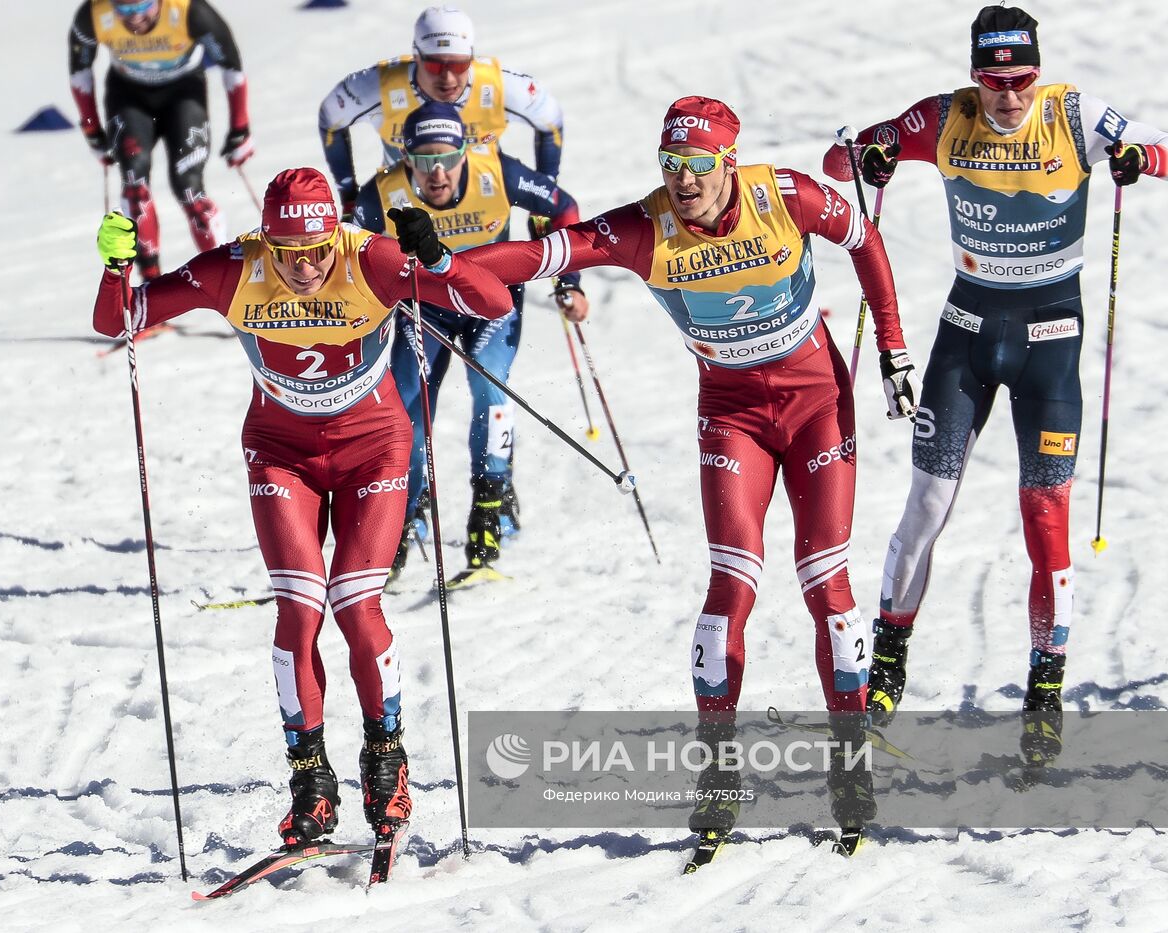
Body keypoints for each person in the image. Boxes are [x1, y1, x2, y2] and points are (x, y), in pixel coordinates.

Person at [470, 97, 915, 841]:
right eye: (670, 165)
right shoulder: (647, 227)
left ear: (728, 163)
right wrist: (434, 266)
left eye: (698, 165)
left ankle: (849, 762)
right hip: (733, 413)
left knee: (825, 582)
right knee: (730, 582)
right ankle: (717, 772)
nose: (683, 180)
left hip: (816, 405)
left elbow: (864, 239)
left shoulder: (786, 196)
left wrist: (895, 348)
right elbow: (546, 253)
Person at [91, 168, 511, 846]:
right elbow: (120, 319)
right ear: (267, 243)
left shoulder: (368, 256)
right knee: (299, 607)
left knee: (355, 600)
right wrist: (116, 268)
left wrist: (435, 257)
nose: (309, 266)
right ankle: (310, 779)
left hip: (374, 448)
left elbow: (492, 302)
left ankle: (386, 759)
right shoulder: (234, 268)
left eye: (319, 249)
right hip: (282, 454)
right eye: (291, 254)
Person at [823, 5, 1168, 761]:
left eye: (1020, 78)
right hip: (968, 334)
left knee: (1046, 517)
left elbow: (1162, 147)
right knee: (926, 505)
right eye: (993, 79)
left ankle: (1046, 691)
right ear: (973, 74)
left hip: (1052, 341)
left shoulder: (1073, 113)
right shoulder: (944, 116)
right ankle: (889, 662)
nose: (1008, 95)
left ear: (1036, 73)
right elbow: (839, 159)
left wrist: (1140, 159)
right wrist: (870, 159)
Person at [354, 102, 586, 581]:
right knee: (405, 405)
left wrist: (569, 281)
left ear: (466, 151)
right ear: (405, 159)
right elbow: (348, 251)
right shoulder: (382, 192)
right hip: (426, 307)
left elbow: (563, 209)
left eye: (447, 157)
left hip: (491, 304)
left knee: (490, 387)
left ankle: (490, 499)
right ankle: (406, 506)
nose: (436, 172)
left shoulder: (497, 171)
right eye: (422, 160)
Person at [318, 5, 564, 222]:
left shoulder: (500, 87)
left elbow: (550, 121)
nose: (447, 78)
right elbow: (330, 119)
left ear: (471, 57)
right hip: (404, 210)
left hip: (480, 210)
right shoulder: (378, 87)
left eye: (459, 65)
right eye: (435, 65)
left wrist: (544, 194)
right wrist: (349, 195)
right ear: (416, 56)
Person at [69, 0, 254, 281]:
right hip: (129, 96)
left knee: (189, 188)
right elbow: (80, 71)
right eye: (124, 10)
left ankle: (227, 283)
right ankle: (150, 286)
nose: (134, 18)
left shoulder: (189, 10)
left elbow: (231, 64)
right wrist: (92, 128)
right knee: (135, 186)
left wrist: (240, 128)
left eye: (142, 7)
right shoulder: (94, 13)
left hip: (184, 92)